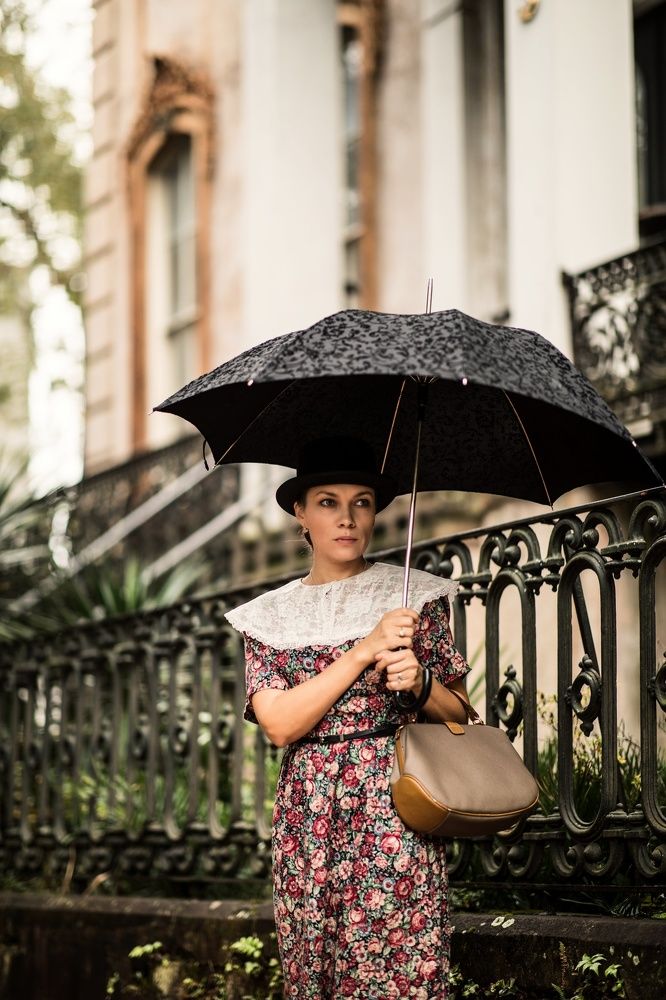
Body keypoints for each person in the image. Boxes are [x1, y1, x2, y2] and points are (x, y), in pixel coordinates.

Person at [225, 437, 472, 1000]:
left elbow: (462, 715)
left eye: (362, 502)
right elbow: (280, 724)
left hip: (394, 801)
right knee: (317, 968)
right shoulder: (269, 617)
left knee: (401, 965)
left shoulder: (415, 599)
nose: (348, 518)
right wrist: (364, 650)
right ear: (301, 513)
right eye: (329, 502)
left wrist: (421, 682)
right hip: (309, 811)